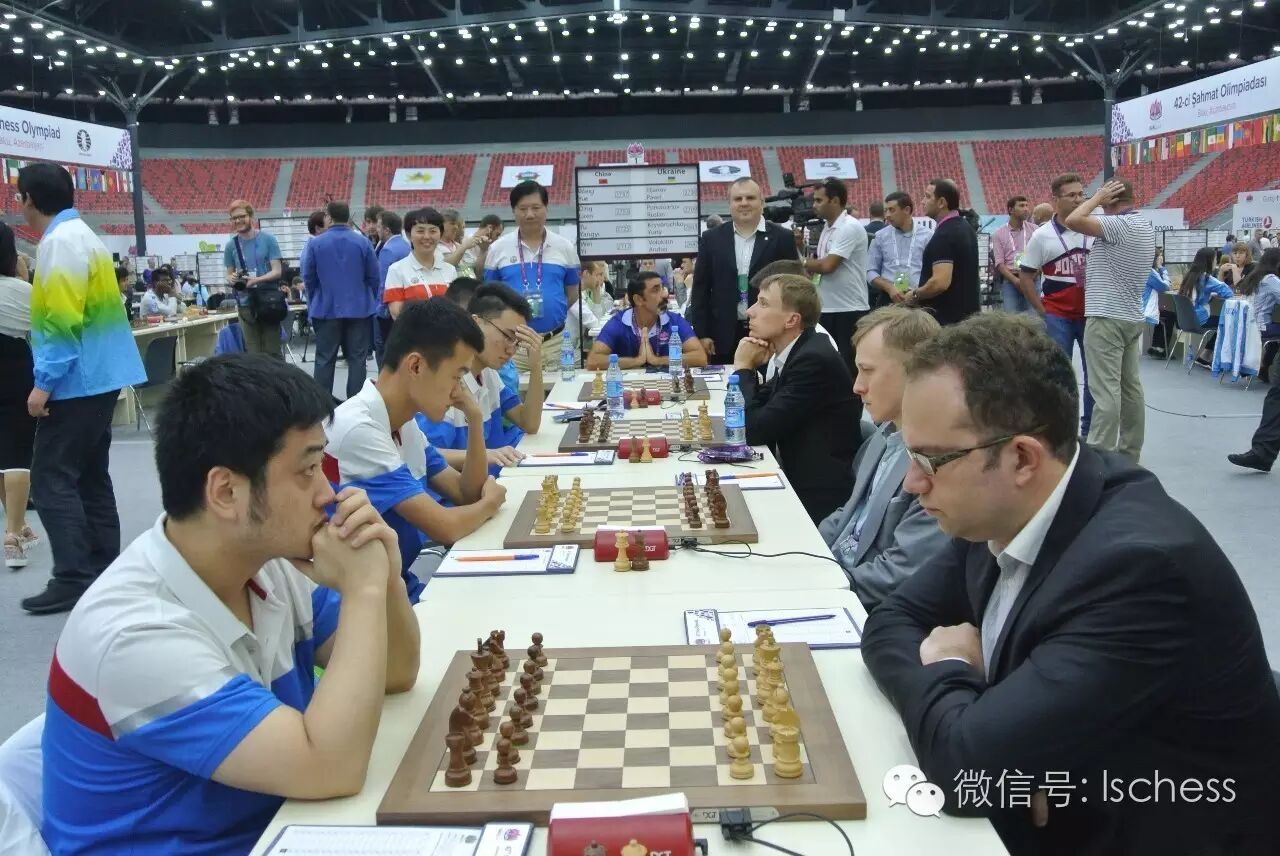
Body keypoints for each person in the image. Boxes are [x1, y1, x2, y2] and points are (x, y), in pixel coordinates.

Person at [861, 312, 1280, 856]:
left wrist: (952, 667)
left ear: (1022, 458)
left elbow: (965, 773)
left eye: (930, 460)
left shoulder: (1140, 570)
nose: (913, 482)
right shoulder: (1000, 505)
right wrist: (994, 728)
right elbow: (889, 622)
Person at [41, 353, 420, 854]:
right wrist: (364, 589)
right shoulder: (135, 633)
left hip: (276, 827)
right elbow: (332, 767)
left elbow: (396, 671)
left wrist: (385, 577)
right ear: (225, 492)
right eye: (308, 470)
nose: (328, 493)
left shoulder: (269, 560)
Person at [17, 163, 146, 615]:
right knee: (91, 476)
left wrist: (43, 384)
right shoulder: (85, 236)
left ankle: (72, 576)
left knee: (51, 480)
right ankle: (102, 568)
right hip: (100, 376)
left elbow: (61, 322)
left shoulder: (59, 244)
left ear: (28, 199)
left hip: (76, 379)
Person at [322, 300, 506, 599]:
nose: (458, 391)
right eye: (456, 376)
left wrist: (474, 418)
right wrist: (491, 502)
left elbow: (465, 494)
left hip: (395, 583)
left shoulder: (403, 423)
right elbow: (445, 527)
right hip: (360, 600)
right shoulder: (359, 430)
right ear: (416, 366)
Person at [817, 307, 947, 611]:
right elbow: (851, 512)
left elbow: (901, 572)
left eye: (868, 370)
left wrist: (819, 586)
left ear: (916, 370)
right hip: (837, 576)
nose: (857, 386)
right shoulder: (882, 437)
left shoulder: (940, 459)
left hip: (864, 604)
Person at [732, 273, 863, 523]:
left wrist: (743, 369)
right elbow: (759, 410)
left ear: (792, 319)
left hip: (817, 498)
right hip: (797, 477)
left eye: (763, 303)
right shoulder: (800, 350)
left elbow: (750, 431)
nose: (750, 311)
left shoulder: (812, 359)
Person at [1064, 178, 1156, 461]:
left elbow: (1073, 220)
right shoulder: (1144, 225)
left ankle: (1099, 457)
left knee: (1105, 393)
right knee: (1130, 390)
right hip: (1129, 315)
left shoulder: (1120, 225)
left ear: (1111, 199)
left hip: (1106, 317)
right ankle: (1129, 454)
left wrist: (1097, 199)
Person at [418, 283, 545, 473]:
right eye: (507, 336)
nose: (511, 349)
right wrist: (483, 455)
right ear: (476, 323)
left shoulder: (489, 374)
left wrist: (536, 366)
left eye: (517, 342)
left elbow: (529, 423)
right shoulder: (447, 382)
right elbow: (423, 454)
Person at [689, 177, 799, 361]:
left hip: (769, 336)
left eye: (750, 198)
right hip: (721, 337)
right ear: (730, 204)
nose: (744, 203)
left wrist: (786, 333)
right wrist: (702, 333)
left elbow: (793, 288)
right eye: (738, 199)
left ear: (762, 202)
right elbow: (701, 289)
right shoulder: (711, 239)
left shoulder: (782, 237)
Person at [1019, 173, 1094, 437]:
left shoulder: (1093, 229)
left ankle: (1089, 431)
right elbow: (1026, 276)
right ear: (1056, 200)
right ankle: (1063, 431)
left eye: (1081, 194)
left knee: (1094, 376)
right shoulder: (1042, 236)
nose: (1078, 200)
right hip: (1058, 316)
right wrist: (1043, 310)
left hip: (1090, 315)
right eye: (1071, 195)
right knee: (1060, 375)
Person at [483, 182, 582, 373]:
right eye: (523, 209)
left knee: (560, 391)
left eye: (536, 208)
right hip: (513, 346)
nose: (530, 214)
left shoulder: (564, 247)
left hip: (556, 343)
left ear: (546, 208)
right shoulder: (498, 248)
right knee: (514, 391)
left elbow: (572, 293)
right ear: (514, 211)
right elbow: (490, 297)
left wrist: (553, 309)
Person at [302, 201, 380, 400]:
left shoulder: (315, 243)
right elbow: (374, 276)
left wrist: (315, 298)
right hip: (359, 309)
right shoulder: (363, 242)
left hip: (325, 308)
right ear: (348, 217)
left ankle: (323, 406)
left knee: (324, 359)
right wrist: (367, 297)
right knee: (357, 359)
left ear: (329, 217)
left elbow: (308, 277)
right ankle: (356, 405)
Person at [801, 177, 870, 372]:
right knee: (827, 365)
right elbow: (820, 265)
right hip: (828, 307)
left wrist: (801, 262)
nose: (814, 205)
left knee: (847, 367)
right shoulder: (827, 227)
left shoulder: (849, 226)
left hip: (848, 308)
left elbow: (828, 265)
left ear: (835, 201)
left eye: (819, 200)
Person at [0, 223, 38, 570]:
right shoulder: (19, 290)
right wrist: (23, 277)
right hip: (14, 369)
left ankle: (20, 525)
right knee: (17, 456)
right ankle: (12, 534)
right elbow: (40, 327)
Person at [587, 271, 707, 370]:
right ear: (638, 300)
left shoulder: (674, 321)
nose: (664, 295)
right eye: (656, 290)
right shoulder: (619, 322)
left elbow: (701, 357)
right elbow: (593, 360)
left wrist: (657, 360)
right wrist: (637, 361)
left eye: (662, 288)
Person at [1227, 248, 1280, 473]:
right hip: (1266, 328)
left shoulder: (1261, 278)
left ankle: (1263, 452)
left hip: (1260, 328)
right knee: (1277, 397)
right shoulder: (1270, 280)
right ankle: (1263, 452)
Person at [906, 179, 979, 326]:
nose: (922, 201)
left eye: (927, 196)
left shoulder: (945, 234)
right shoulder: (964, 227)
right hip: (967, 316)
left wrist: (914, 294)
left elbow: (940, 283)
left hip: (946, 321)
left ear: (941, 202)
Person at [223, 199, 284, 356]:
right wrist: (231, 278)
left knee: (272, 351)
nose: (238, 221)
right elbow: (228, 274)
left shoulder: (268, 239)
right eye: (234, 218)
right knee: (253, 353)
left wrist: (256, 280)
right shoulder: (231, 246)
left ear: (251, 217)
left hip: (268, 302)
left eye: (241, 216)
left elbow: (277, 271)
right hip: (245, 304)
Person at [383, 207, 457, 319]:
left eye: (433, 231)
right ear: (409, 235)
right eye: (420, 231)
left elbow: (456, 309)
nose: (427, 237)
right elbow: (397, 314)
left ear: (440, 234)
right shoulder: (397, 270)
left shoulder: (450, 270)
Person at [867, 191, 933, 309]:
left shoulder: (927, 236)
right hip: (888, 298)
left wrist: (919, 292)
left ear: (907, 210)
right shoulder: (880, 236)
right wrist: (889, 287)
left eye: (892, 210)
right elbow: (870, 271)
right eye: (886, 210)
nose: (887, 215)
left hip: (918, 299)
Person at [373, 209, 411, 369]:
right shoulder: (406, 246)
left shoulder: (388, 250)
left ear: (387, 230)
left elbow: (383, 283)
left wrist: (380, 310)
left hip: (388, 309)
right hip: (405, 303)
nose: (376, 229)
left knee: (382, 349)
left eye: (378, 226)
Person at [992, 195, 1037, 314]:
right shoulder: (998, 234)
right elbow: (999, 263)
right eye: (1021, 206)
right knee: (1012, 319)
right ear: (1011, 210)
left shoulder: (1036, 231)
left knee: (1035, 318)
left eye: (1027, 205)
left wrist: (1029, 278)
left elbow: (1043, 258)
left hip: (1033, 278)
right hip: (1011, 281)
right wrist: (1016, 281)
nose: (1026, 209)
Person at [1177, 246, 1233, 328]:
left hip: (1184, 320)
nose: (1216, 262)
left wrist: (1209, 294)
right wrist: (1222, 270)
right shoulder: (1206, 278)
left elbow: (1196, 294)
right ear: (1210, 261)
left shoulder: (1189, 276)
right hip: (1200, 320)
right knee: (1225, 321)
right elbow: (1229, 293)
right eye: (1215, 259)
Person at [1143, 249, 1172, 356]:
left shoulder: (1145, 270)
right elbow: (1165, 286)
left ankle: (1156, 346)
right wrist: (1161, 268)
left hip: (1142, 306)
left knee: (1164, 314)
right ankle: (1160, 348)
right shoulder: (1150, 273)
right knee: (1170, 316)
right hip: (1145, 308)